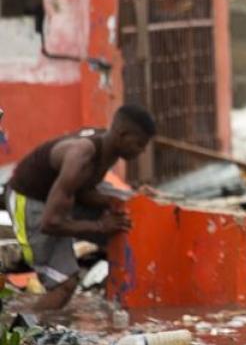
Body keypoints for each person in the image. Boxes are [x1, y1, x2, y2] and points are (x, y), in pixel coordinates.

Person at [4, 104, 156, 310]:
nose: (142, 150)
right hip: (29, 200)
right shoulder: (81, 157)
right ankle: (21, 336)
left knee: (124, 220)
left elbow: (84, 190)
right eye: (139, 144)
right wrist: (101, 227)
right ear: (122, 134)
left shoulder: (107, 148)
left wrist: (133, 199)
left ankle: (116, 294)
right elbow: (50, 223)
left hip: (58, 197)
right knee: (64, 284)